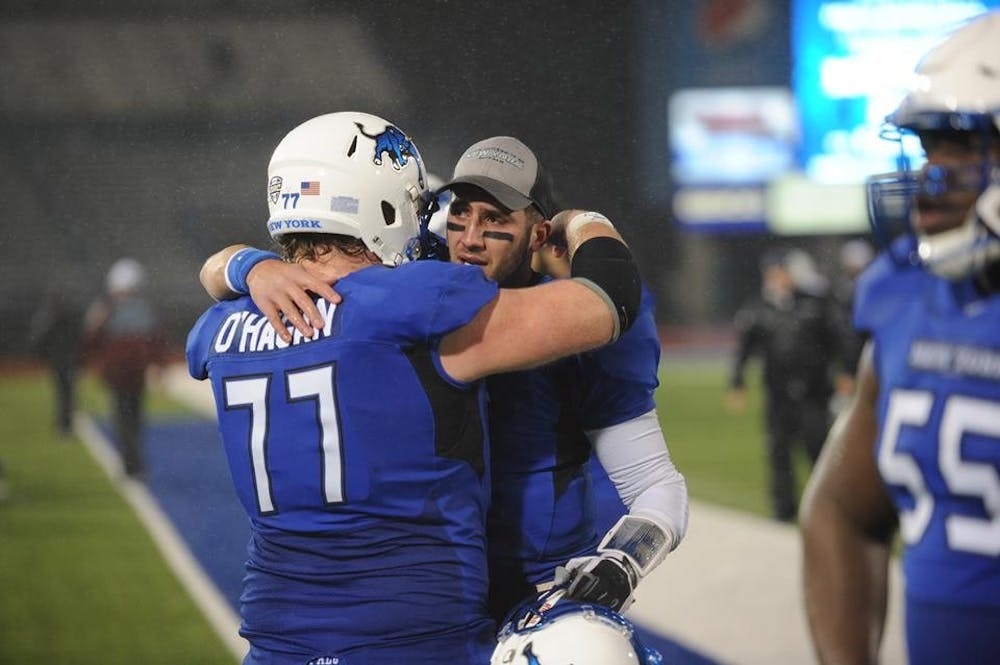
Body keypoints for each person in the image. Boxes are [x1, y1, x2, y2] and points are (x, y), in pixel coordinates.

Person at [188, 111, 645, 664]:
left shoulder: (219, 329)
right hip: (417, 643)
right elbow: (608, 304)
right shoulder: (410, 303)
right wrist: (583, 221)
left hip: (275, 646)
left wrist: (245, 266)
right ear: (383, 204)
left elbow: (214, 278)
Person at [800, 11, 1000, 665]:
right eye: (926, 146)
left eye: (962, 145)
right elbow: (841, 509)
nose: (931, 173)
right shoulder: (905, 295)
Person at [725, 246, 850, 522]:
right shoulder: (758, 308)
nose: (780, 277)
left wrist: (845, 373)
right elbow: (743, 350)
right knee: (779, 454)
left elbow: (838, 339)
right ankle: (784, 511)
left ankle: (826, 507)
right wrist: (737, 383)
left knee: (819, 451)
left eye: (783, 271)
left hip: (814, 391)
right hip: (778, 393)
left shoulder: (813, 303)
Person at [83, 258, 167, 478]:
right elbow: (155, 341)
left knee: (129, 420)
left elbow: (92, 340)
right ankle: (133, 464)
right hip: (123, 375)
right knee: (127, 420)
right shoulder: (114, 309)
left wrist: (158, 366)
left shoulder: (110, 309)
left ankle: (132, 464)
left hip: (128, 375)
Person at [28, 290, 85, 437]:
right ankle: (65, 423)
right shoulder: (70, 322)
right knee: (68, 394)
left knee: (63, 393)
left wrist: (45, 355)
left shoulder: (53, 322)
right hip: (67, 361)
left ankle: (63, 423)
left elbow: (41, 341)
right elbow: (79, 341)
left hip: (60, 361)